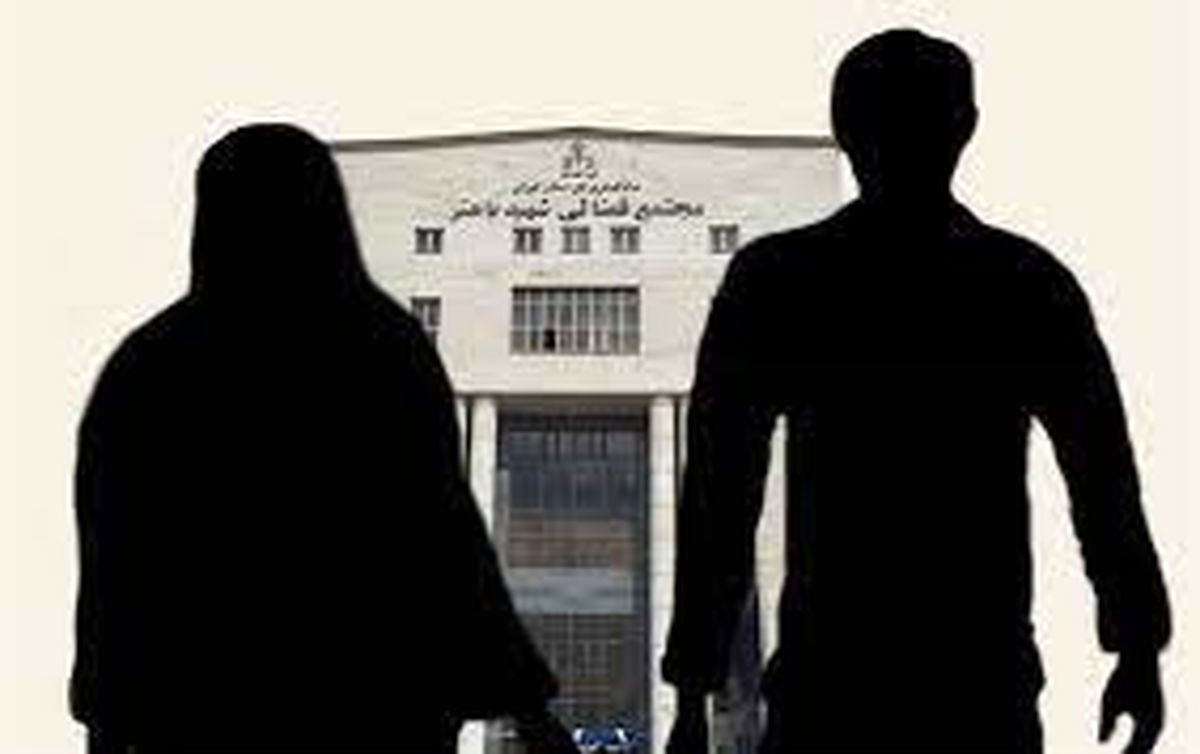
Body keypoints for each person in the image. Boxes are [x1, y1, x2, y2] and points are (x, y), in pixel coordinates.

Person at [662, 29, 1171, 753]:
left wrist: (693, 688)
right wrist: (1138, 648)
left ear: (842, 128)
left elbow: (720, 491)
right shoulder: (1027, 284)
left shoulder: (777, 282)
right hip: (979, 682)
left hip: (831, 681)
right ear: (966, 127)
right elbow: (1103, 480)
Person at [71, 123, 577, 753]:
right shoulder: (383, 348)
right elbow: (442, 535)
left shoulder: (151, 366)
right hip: (373, 701)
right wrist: (527, 706)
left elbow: (115, 561)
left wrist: (105, 714)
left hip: (200, 704)